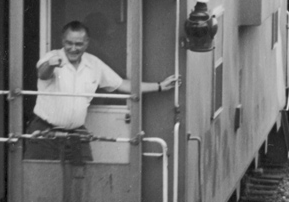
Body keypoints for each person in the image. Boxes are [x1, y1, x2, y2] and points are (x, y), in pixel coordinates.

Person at [25, 20, 178, 161]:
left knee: (84, 179)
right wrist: (51, 64)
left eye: (78, 44)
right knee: (41, 182)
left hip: (76, 133)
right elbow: (42, 74)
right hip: (44, 132)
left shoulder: (94, 64)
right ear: (62, 41)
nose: (73, 48)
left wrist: (159, 86)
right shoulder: (52, 57)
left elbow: (122, 85)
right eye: (69, 43)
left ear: (87, 43)